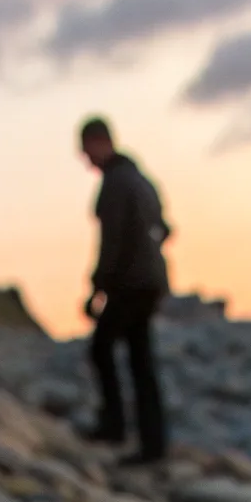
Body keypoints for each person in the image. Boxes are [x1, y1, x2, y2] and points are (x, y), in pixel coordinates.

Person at [79, 117, 170, 465]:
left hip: (131, 283)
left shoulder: (116, 182)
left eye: (86, 150)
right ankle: (151, 442)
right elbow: (164, 227)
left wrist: (98, 287)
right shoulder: (141, 179)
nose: (86, 159)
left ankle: (116, 427)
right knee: (139, 358)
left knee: (104, 349)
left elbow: (113, 240)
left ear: (99, 142)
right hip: (149, 281)